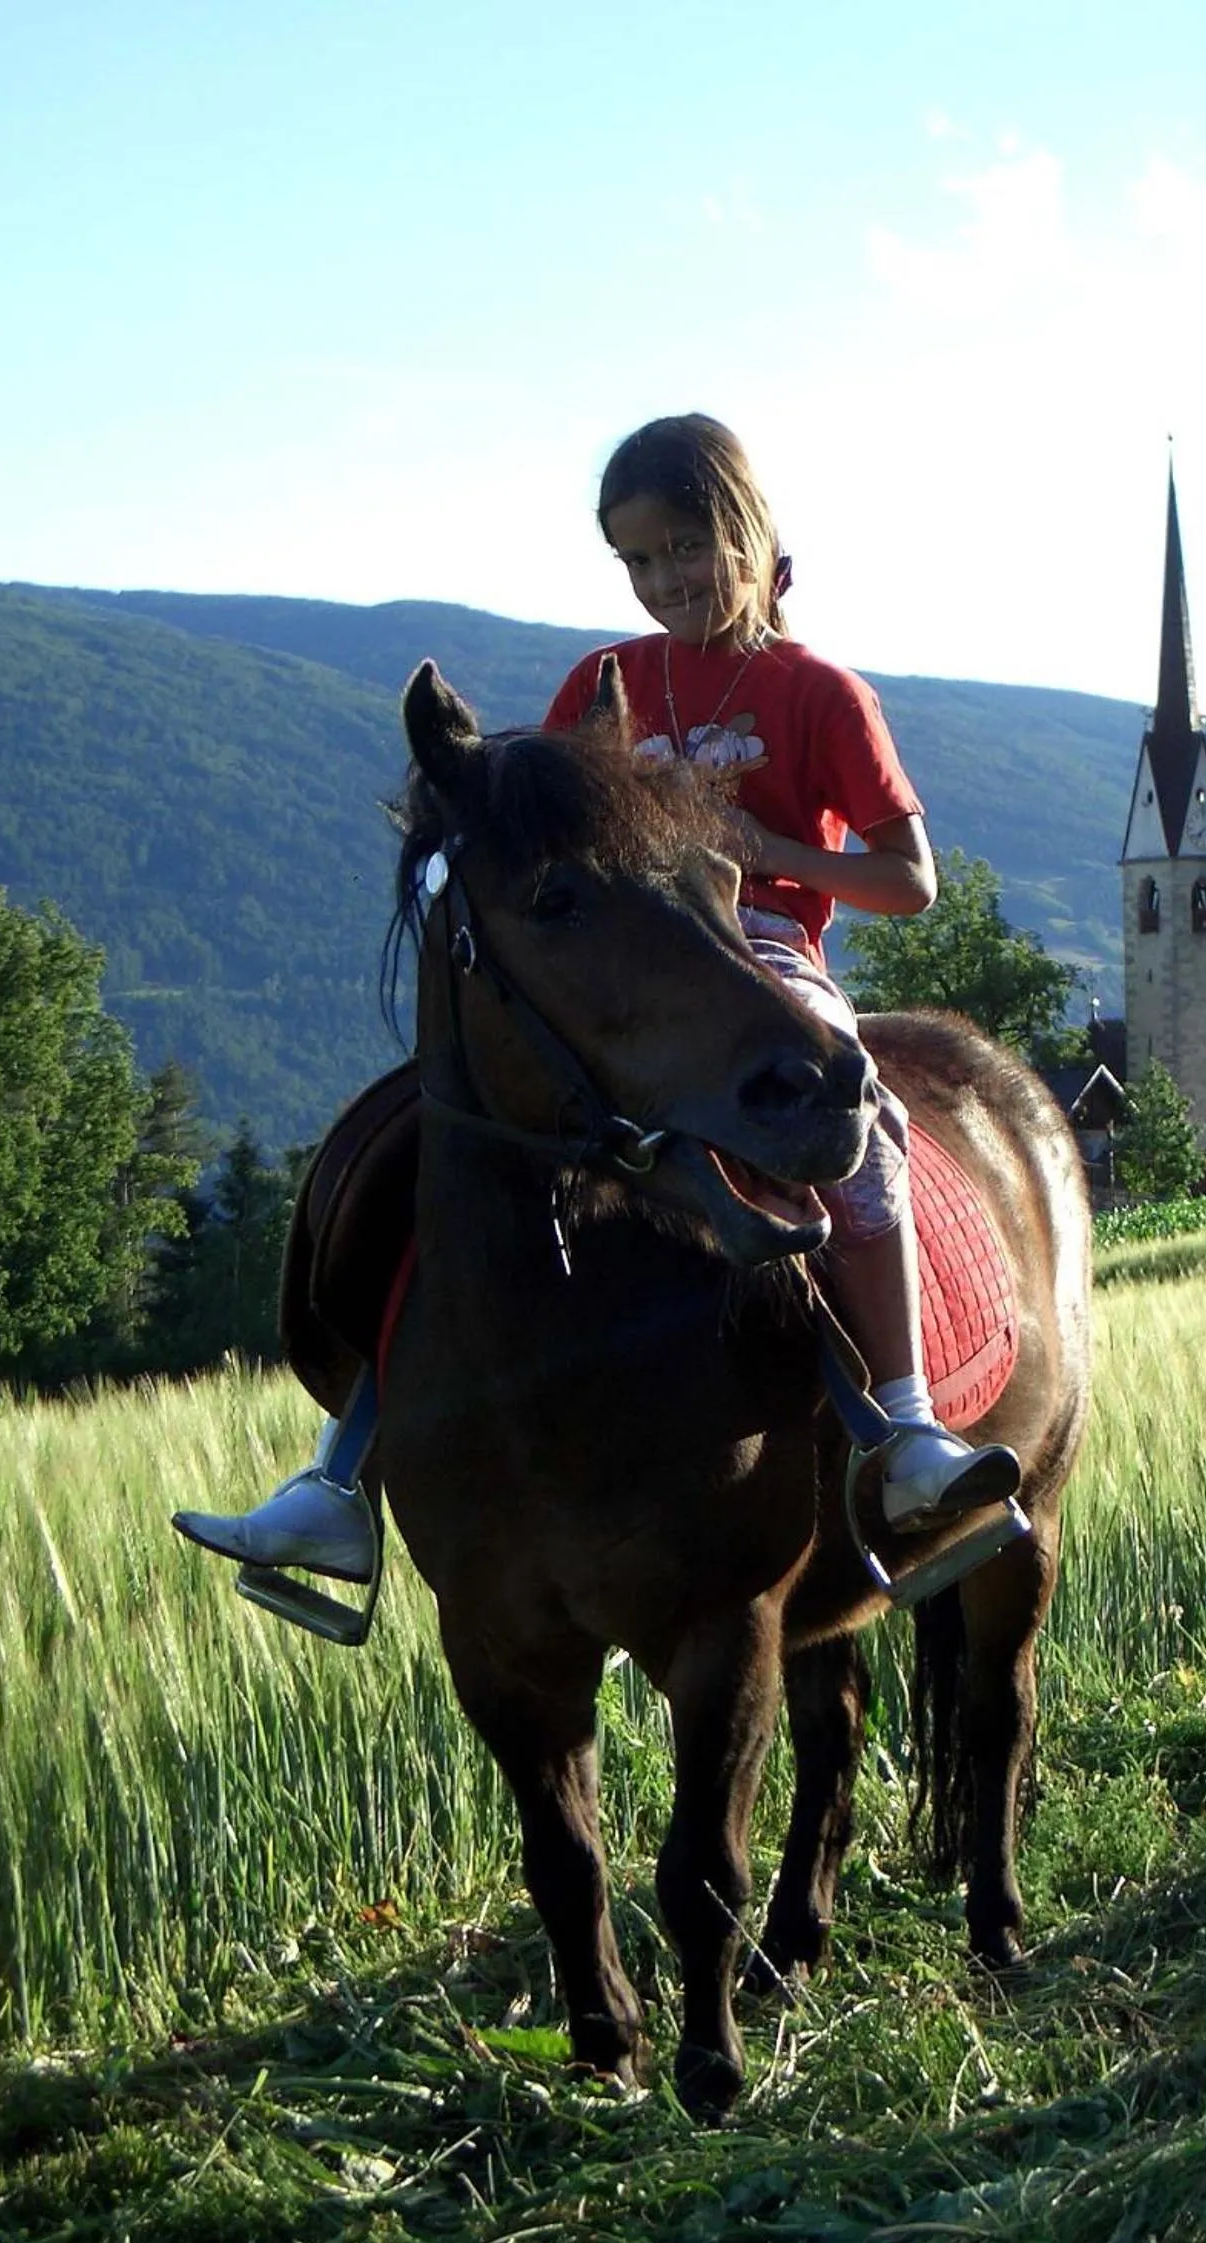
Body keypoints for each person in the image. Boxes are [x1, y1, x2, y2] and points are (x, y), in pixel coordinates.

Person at [174, 414, 1019, 1591]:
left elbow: (909, 881)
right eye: (640, 561)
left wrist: (771, 845)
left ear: (747, 529)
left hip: (758, 950)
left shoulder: (818, 692)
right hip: (612, 975)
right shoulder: (604, 684)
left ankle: (908, 1424)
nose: (668, 580)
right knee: (453, 1150)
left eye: (689, 547)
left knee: (860, 1134)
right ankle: (343, 1472)